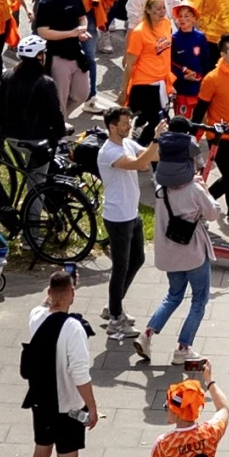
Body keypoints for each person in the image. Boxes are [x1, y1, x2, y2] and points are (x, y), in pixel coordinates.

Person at [152, 156, 221, 373]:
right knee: (199, 300)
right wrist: (206, 191)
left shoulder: (161, 190)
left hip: (171, 254)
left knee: (173, 295)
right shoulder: (194, 189)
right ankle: (183, 348)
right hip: (193, 252)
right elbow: (213, 213)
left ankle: (146, 336)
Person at [25, 267, 98, 457]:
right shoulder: (73, 328)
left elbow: (45, 303)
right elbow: (80, 374)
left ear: (49, 291)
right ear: (73, 292)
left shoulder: (36, 317)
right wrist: (92, 407)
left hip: (41, 401)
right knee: (67, 454)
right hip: (69, 407)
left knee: (42, 448)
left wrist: (57, 286)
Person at [99, 120, 155, 333]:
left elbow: (150, 157)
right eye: (123, 124)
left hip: (132, 214)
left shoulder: (128, 144)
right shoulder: (109, 152)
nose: (128, 127)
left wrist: (170, 143)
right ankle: (115, 321)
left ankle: (113, 306)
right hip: (117, 218)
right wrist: (156, 139)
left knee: (137, 259)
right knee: (120, 268)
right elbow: (139, 164)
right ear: (112, 127)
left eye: (128, 123)